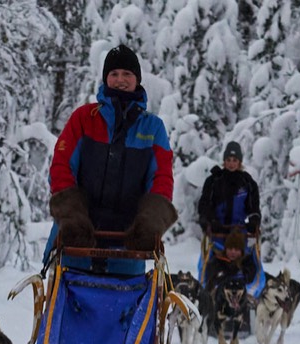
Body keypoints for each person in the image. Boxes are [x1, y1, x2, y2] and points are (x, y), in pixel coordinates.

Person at [46, 44, 177, 274]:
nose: (120, 80)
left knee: (129, 307)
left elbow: (161, 177)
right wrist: (72, 214)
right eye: (114, 74)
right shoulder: (83, 119)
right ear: (106, 79)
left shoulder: (153, 127)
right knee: (65, 303)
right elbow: (62, 166)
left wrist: (151, 221)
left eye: (127, 74)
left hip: (128, 245)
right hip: (77, 239)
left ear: (137, 79)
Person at [197, 141, 261, 236]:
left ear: (239, 162)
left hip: (240, 234)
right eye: (228, 160)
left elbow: (254, 208)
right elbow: (204, 206)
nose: (231, 164)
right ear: (224, 161)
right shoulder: (213, 181)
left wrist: (254, 221)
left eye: (234, 160)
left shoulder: (248, 182)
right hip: (216, 232)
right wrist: (209, 221)